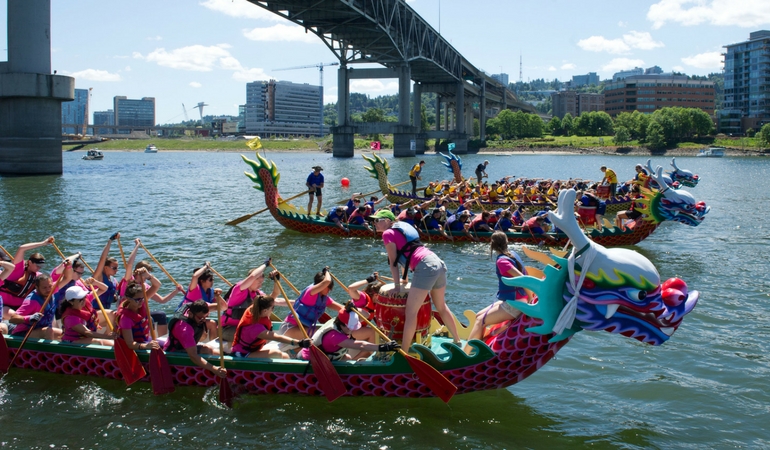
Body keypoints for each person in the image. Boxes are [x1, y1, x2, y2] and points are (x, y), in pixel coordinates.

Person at [371, 209, 461, 352]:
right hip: (437, 262)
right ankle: (458, 341)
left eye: (377, 220)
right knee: (441, 306)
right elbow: (404, 259)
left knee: (410, 312)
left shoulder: (387, 233)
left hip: (425, 267)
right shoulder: (400, 229)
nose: (374, 223)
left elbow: (393, 262)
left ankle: (404, 352)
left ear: (388, 221)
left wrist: (397, 287)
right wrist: (404, 280)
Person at [465, 232, 531, 354]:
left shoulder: (502, 262)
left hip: (515, 303)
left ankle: (465, 355)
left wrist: (530, 300)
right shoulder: (512, 254)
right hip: (514, 300)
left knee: (480, 321)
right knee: (478, 316)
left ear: (492, 245)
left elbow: (524, 279)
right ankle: (478, 348)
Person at [300, 303, 400, 362]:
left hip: (328, 356)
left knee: (347, 357)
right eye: (351, 327)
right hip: (310, 360)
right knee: (347, 357)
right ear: (343, 324)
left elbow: (366, 314)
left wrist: (355, 309)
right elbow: (360, 345)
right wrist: (381, 347)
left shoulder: (341, 322)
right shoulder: (334, 336)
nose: (353, 330)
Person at [231, 295, 311, 359]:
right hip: (242, 354)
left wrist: (276, 281)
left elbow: (271, 297)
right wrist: (299, 342)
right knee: (276, 354)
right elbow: (277, 337)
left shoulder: (255, 308)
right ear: (265, 311)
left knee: (285, 356)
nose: (273, 310)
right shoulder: (256, 328)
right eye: (273, 308)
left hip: (252, 349)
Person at [276, 267, 344, 341]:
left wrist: (351, 308)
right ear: (320, 285)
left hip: (303, 329)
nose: (330, 289)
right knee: (324, 334)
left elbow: (341, 308)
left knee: (331, 331)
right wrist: (326, 271)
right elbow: (327, 281)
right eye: (328, 287)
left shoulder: (324, 299)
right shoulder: (310, 292)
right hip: (289, 328)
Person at [221, 258, 280, 342]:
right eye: (258, 282)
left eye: (261, 283)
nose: (260, 285)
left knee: (267, 333)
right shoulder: (239, 289)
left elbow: (274, 295)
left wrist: (276, 281)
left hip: (246, 327)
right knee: (256, 337)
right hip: (228, 329)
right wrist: (265, 264)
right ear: (251, 281)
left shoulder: (257, 294)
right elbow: (253, 276)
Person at [164, 300, 226, 378]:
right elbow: (193, 356)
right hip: (174, 352)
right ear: (190, 314)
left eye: (205, 317)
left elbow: (223, 307)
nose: (203, 320)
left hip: (187, 342)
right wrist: (214, 369)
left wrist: (219, 298)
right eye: (200, 318)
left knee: (213, 349)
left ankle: (227, 355)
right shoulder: (184, 329)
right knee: (206, 350)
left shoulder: (197, 308)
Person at [0, 236, 54, 319]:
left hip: (22, 307)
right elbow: (21, 248)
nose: (39, 268)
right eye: (37, 265)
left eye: (41, 266)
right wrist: (43, 243)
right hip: (4, 305)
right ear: (29, 262)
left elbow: (54, 283)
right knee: (15, 317)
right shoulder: (17, 270)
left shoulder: (38, 276)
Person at [8, 273, 62, 340]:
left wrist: (68, 266)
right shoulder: (32, 301)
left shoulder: (50, 292)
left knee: (63, 334)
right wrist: (29, 318)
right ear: (37, 288)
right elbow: (12, 319)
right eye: (44, 288)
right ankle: (48, 350)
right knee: (48, 331)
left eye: (50, 286)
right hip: (21, 334)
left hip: (39, 330)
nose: (48, 290)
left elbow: (67, 277)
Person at [181, 262, 226, 342]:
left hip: (199, 320)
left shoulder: (210, 292)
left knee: (212, 324)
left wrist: (218, 296)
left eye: (213, 279)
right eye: (210, 280)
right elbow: (195, 276)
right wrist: (206, 267)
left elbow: (224, 307)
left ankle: (214, 348)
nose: (212, 282)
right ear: (202, 281)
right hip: (186, 321)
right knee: (203, 335)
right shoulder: (194, 289)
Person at [116, 282, 161, 352]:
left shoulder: (142, 305)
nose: (141, 301)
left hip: (145, 340)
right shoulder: (125, 319)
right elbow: (130, 344)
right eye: (137, 300)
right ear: (129, 299)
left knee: (169, 345)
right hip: (135, 346)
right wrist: (146, 346)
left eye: (142, 298)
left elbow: (156, 285)